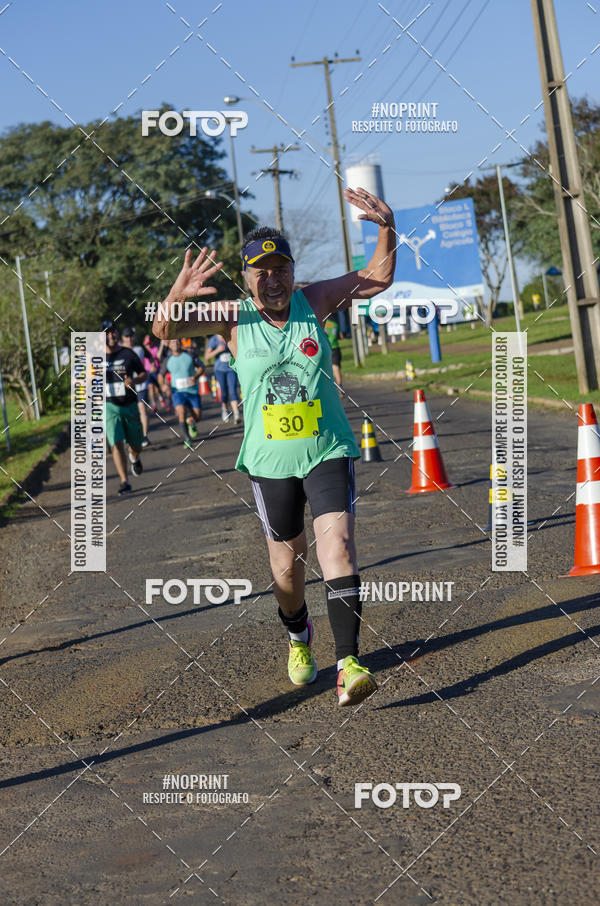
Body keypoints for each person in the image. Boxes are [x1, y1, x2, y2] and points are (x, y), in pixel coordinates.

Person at [153, 186, 395, 706]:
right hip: (268, 461)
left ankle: (349, 662)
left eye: (280, 267)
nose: (272, 277)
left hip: (326, 448)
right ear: (246, 277)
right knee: (287, 570)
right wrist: (178, 291)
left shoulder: (316, 299)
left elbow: (378, 277)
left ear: (291, 270)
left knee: (340, 548)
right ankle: (298, 634)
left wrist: (386, 227)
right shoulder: (232, 318)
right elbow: (164, 328)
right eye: (261, 271)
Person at [103, 321, 147, 495]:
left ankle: (134, 456)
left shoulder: (128, 354)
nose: (111, 336)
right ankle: (124, 481)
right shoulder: (96, 357)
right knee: (116, 442)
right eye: (107, 333)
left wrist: (134, 381)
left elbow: (144, 374)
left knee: (136, 445)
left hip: (129, 405)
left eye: (113, 332)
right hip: (109, 406)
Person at [161, 338, 205, 448]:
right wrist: (163, 384)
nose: (175, 343)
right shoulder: (167, 360)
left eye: (177, 341)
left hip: (192, 391)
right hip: (177, 391)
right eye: (172, 341)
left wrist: (195, 376)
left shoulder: (190, 355)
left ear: (180, 343)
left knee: (198, 416)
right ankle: (187, 439)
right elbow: (160, 375)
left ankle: (191, 421)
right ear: (169, 345)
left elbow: (201, 367)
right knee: (181, 412)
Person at [121, 327, 151, 447]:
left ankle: (144, 436)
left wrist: (153, 366)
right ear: (122, 338)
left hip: (140, 385)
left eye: (131, 336)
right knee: (128, 413)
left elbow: (151, 358)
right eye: (127, 336)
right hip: (124, 387)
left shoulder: (139, 350)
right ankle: (128, 436)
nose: (129, 339)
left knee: (142, 409)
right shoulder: (119, 351)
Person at [204, 334, 242, 423]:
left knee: (233, 390)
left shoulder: (230, 336)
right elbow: (207, 356)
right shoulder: (214, 340)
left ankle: (236, 415)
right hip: (219, 370)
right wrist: (217, 350)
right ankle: (224, 410)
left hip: (231, 369)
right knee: (224, 392)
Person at [324, 314, 343, 396]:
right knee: (336, 367)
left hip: (327, 348)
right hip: (336, 347)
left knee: (328, 369)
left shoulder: (323, 325)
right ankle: (340, 386)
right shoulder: (335, 324)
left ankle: (330, 390)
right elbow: (341, 336)